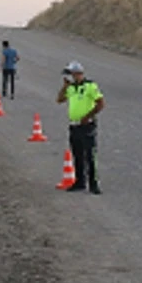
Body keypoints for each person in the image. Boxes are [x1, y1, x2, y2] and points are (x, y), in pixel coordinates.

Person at [55, 61, 105, 194]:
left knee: (90, 155)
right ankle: (79, 181)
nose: (69, 77)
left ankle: (93, 183)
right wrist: (64, 87)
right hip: (74, 125)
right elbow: (59, 100)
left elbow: (100, 103)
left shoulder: (90, 86)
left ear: (77, 74)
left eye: (70, 74)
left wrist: (88, 116)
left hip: (87, 125)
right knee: (77, 154)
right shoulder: (70, 88)